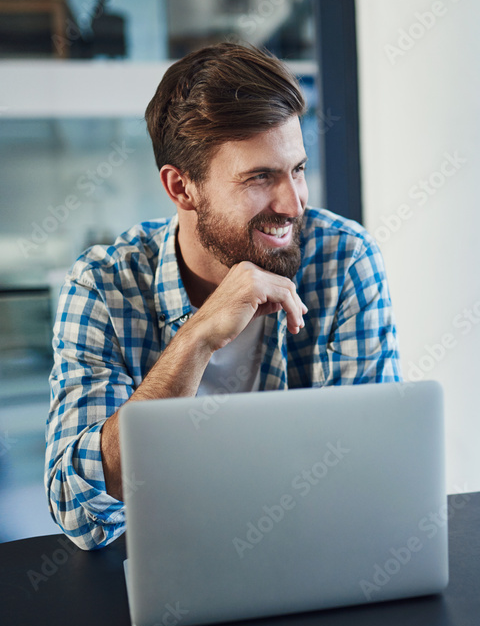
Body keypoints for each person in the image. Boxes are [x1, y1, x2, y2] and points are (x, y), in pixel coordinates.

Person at [45, 43, 401, 550]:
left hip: (313, 558)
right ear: (182, 188)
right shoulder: (104, 287)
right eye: (260, 178)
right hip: (170, 576)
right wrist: (198, 337)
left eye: (297, 170)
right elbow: (80, 513)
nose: (293, 203)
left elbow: (377, 474)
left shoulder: (343, 259)